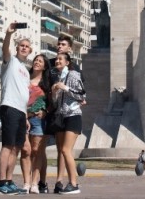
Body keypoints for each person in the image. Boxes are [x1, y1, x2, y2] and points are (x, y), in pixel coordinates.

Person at [0, 24, 33, 195]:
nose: (24, 48)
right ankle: (1, 182)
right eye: (22, 46)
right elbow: (5, 49)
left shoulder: (26, 72)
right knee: (7, 145)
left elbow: (24, 95)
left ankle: (9, 181)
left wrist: (25, 116)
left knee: (17, 148)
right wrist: (8, 34)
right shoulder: (10, 62)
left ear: (30, 51)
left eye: (27, 47)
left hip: (20, 112)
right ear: (17, 48)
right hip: (9, 107)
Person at [51, 51, 84, 194]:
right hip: (62, 117)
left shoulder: (73, 75)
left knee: (65, 150)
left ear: (67, 62)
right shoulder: (59, 77)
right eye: (56, 59)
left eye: (60, 59)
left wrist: (66, 88)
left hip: (73, 116)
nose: (57, 61)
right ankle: (70, 183)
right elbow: (56, 103)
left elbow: (82, 95)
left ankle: (74, 184)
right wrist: (54, 93)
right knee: (63, 150)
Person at [23, 53, 51, 194]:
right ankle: (26, 183)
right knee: (25, 150)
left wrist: (45, 110)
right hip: (24, 118)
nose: (37, 62)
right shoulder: (24, 78)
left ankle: (35, 183)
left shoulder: (46, 83)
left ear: (45, 66)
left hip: (39, 120)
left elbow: (52, 101)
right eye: (36, 60)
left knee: (36, 150)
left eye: (40, 61)